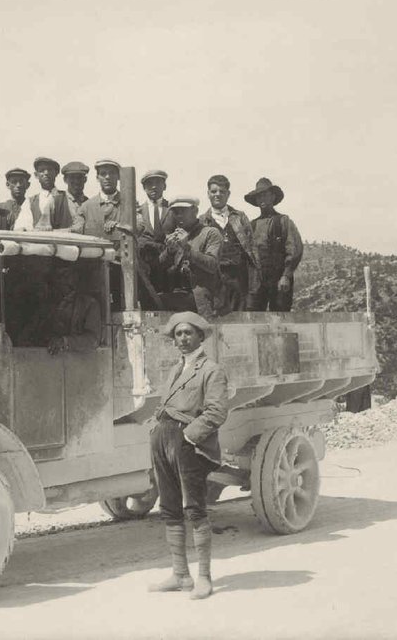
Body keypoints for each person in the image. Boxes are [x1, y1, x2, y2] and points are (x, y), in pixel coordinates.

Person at [148, 311, 229, 600]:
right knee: (169, 506)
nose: (182, 339)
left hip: (188, 443)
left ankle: (204, 578)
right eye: (178, 334)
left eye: (187, 333)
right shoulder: (175, 369)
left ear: (199, 336)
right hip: (163, 439)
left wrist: (188, 436)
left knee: (194, 508)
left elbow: (217, 412)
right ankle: (180, 574)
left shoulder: (211, 370)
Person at [199, 174, 256, 314]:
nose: (217, 195)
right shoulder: (202, 221)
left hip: (238, 278)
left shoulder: (239, 217)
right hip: (214, 279)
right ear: (208, 194)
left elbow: (252, 250)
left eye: (222, 191)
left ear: (228, 194)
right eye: (213, 191)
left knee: (239, 319)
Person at [244, 177, 303, 311]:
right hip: (257, 281)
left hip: (278, 279)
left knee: (280, 317)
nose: (262, 199)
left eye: (265, 195)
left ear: (272, 197)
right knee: (254, 317)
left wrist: (286, 276)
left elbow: (294, 249)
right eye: (259, 196)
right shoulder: (251, 226)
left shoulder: (283, 221)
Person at [15, 265, 100, 354]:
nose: (62, 280)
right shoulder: (46, 306)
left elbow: (92, 340)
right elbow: (26, 335)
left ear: (76, 278)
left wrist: (64, 341)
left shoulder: (89, 304)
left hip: (78, 362)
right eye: (58, 276)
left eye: (66, 275)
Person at [159, 197, 221, 318]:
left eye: (183, 210)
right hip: (178, 296)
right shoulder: (175, 235)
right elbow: (160, 266)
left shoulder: (210, 233)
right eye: (176, 212)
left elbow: (212, 265)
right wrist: (170, 251)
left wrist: (186, 248)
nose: (179, 216)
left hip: (202, 300)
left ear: (195, 211)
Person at [70, 158, 130, 241]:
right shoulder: (86, 207)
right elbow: (75, 232)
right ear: (97, 178)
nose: (108, 177)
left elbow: (140, 225)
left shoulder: (129, 204)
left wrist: (119, 226)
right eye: (103, 174)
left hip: (121, 253)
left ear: (118, 176)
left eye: (112, 173)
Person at [20, 156, 75, 230]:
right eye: (42, 170)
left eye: (50, 170)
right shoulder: (30, 202)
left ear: (56, 173)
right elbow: (23, 226)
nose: (46, 173)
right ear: (36, 175)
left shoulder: (68, 197)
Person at [139, 169, 171, 242]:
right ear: (144, 188)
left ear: (164, 186)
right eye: (150, 183)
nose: (154, 187)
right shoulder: (138, 211)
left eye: (158, 183)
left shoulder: (172, 209)